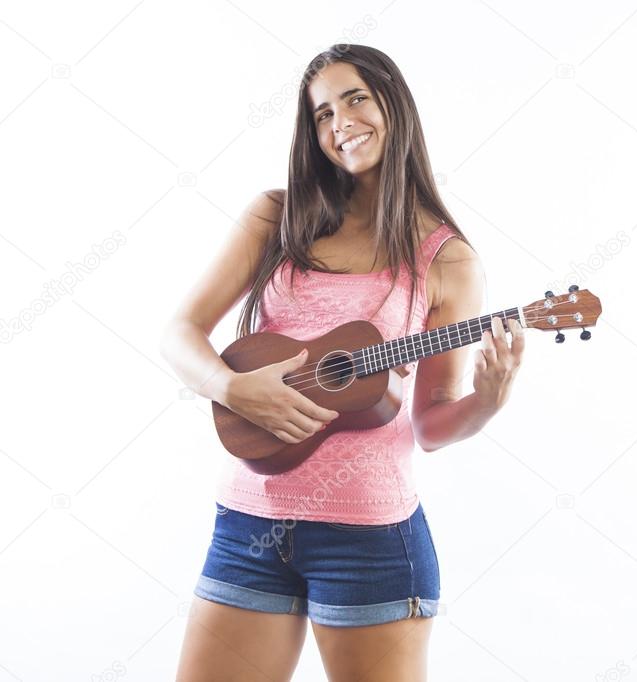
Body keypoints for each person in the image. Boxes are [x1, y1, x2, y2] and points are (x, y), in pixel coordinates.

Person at [161, 44, 525, 681]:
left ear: (393, 103)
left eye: (355, 98)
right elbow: (179, 332)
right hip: (249, 526)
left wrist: (487, 402)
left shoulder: (447, 260)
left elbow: (431, 424)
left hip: (371, 539)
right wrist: (231, 387)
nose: (341, 123)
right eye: (322, 113)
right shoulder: (275, 217)